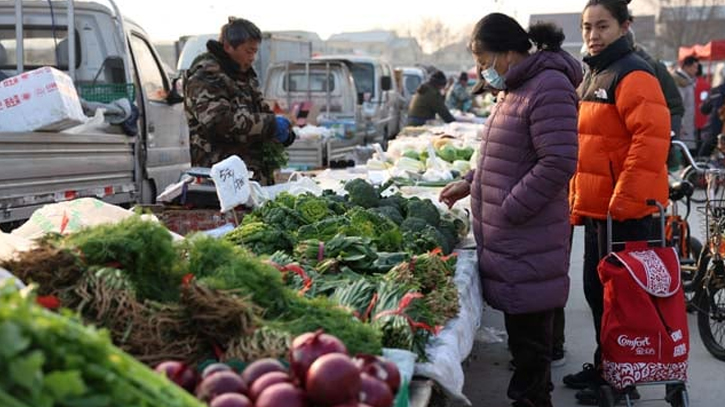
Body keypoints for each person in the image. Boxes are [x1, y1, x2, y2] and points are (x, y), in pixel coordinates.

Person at [439, 13, 580, 407]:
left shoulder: (548, 86)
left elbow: (558, 162)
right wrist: (471, 181)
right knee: (525, 349)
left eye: (484, 60)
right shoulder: (514, 89)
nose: (481, 69)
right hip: (515, 239)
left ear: (507, 52)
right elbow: (503, 155)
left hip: (527, 238)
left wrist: (511, 205)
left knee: (531, 356)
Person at [565, 0, 670, 404]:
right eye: (587, 26)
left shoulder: (634, 74)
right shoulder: (594, 73)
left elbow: (650, 144)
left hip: (623, 212)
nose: (593, 35)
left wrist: (622, 201)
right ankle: (606, 364)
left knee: (621, 300)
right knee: (597, 292)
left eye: (602, 26)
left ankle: (621, 380)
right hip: (599, 209)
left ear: (624, 26)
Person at [184, 17, 295, 185]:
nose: (253, 58)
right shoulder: (207, 76)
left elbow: (261, 111)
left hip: (251, 176)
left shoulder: (244, 75)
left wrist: (282, 134)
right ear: (228, 46)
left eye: (255, 52)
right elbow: (218, 121)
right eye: (249, 51)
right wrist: (270, 125)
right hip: (222, 178)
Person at [673, 56, 699, 151]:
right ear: (686, 67)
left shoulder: (688, 81)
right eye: (694, 67)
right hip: (682, 125)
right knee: (681, 150)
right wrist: (680, 124)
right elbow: (679, 105)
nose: (696, 70)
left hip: (687, 123)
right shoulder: (680, 82)